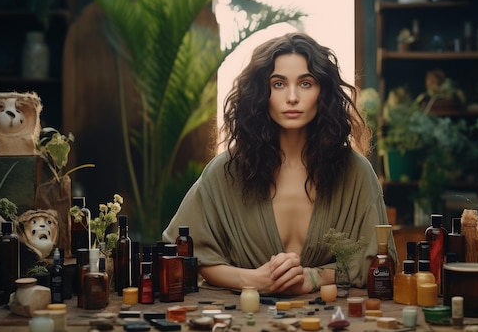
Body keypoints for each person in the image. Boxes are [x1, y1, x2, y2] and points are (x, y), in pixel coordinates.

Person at [163, 32, 396, 295]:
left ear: (323, 92)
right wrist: (251, 279)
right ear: (261, 93)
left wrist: (314, 277)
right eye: (278, 84)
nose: (293, 97)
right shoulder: (225, 172)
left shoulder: (356, 172)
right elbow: (185, 253)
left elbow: (380, 263)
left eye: (306, 83)